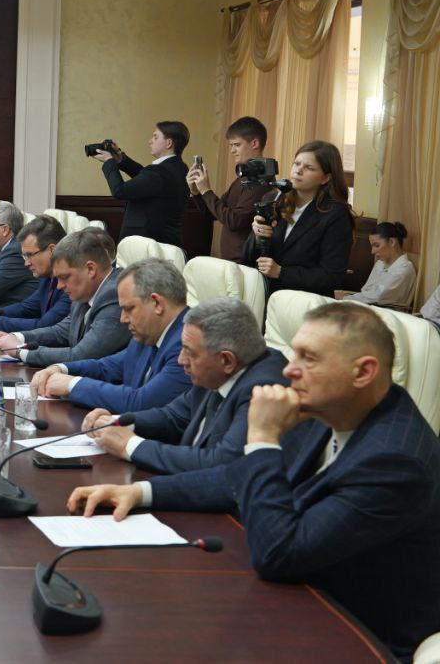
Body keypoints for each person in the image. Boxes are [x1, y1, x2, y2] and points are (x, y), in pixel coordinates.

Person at [67, 303, 440, 661]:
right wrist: (141, 492)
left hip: (354, 635)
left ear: (363, 372)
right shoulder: (333, 408)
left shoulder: (394, 461)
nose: (289, 370)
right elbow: (235, 477)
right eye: (294, 354)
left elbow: (279, 554)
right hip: (298, 598)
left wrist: (263, 437)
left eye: (308, 358)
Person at [78, 297, 288, 475]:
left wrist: (130, 445)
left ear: (227, 361)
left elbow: (219, 464)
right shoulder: (216, 369)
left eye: (190, 352)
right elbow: (173, 417)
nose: (181, 360)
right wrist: (116, 423)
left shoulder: (264, 390)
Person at [29, 258, 191, 412]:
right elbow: (106, 367)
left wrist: (73, 384)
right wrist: (61, 369)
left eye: (128, 309)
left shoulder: (187, 345)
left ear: (157, 303)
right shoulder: (150, 333)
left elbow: (142, 402)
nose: (123, 319)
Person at [0, 227, 130, 367]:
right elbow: (61, 331)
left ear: (90, 269)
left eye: (64, 277)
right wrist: (16, 337)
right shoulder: (85, 290)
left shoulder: (115, 295)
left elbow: (81, 356)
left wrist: (19, 351)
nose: (59, 286)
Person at [243, 140, 354, 298]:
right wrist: (257, 237)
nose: (298, 171)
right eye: (296, 164)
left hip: (304, 302)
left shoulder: (336, 214)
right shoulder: (273, 200)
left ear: (325, 178)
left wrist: (282, 272)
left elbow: (333, 276)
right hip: (263, 295)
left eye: (309, 168)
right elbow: (247, 259)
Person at [186, 116, 271, 263]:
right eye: (231, 145)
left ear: (255, 143)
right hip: (232, 261)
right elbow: (214, 214)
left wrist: (206, 191)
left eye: (237, 145)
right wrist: (196, 192)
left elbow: (234, 221)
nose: (232, 151)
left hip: (244, 263)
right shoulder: (245, 177)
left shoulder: (260, 180)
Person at [94, 122, 190, 247]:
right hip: (166, 243)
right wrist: (120, 158)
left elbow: (119, 191)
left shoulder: (158, 172)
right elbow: (146, 178)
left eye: (155, 137)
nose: (150, 141)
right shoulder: (180, 168)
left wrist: (109, 161)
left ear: (169, 143)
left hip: (144, 246)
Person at [0, 215, 70, 334]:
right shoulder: (47, 277)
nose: (26, 263)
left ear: (52, 250)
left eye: (30, 255)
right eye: (25, 256)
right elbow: (27, 307)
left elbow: (44, 326)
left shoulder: (70, 283)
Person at [339, 221, 416, 311]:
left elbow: (378, 297)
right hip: (369, 308)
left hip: (386, 313)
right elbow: (365, 290)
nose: (372, 251)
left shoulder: (404, 269)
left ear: (392, 242)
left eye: (376, 245)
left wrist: (346, 298)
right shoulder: (380, 263)